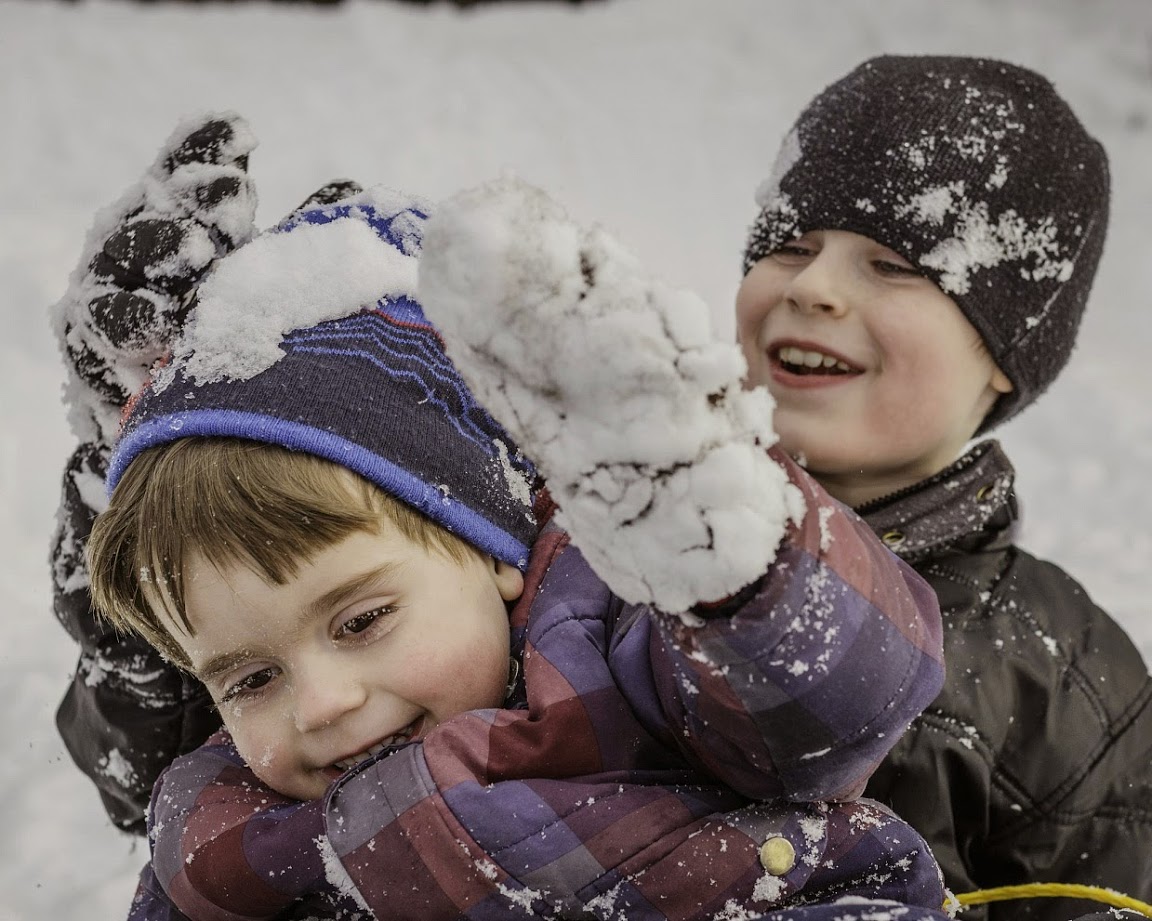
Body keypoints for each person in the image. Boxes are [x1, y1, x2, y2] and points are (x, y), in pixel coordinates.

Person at [64, 117, 952, 921]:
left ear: (487, 543)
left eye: (363, 619)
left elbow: (837, 695)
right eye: (249, 679)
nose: (323, 704)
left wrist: (734, 558)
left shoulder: (621, 646)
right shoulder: (222, 832)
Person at [734, 54, 1152, 921]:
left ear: (1004, 354)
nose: (812, 287)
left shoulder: (1055, 675)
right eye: (789, 246)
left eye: (892, 264)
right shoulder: (621, 545)